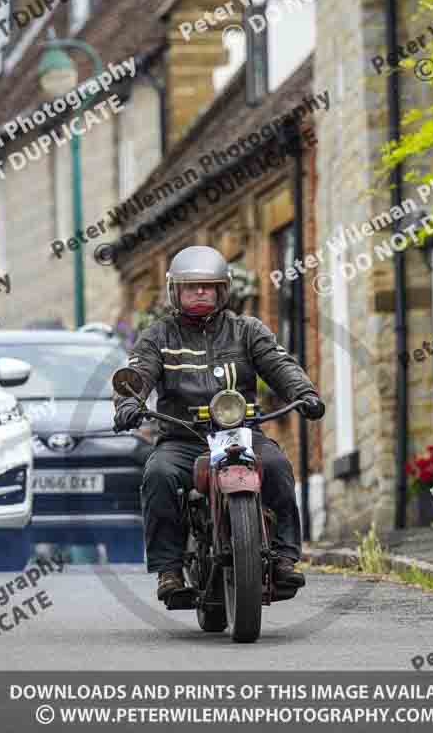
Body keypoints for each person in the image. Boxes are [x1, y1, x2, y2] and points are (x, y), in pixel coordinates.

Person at [113, 246, 325, 602]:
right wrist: (128, 404)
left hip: (239, 434)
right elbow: (137, 374)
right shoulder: (158, 336)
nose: (200, 292)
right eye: (191, 287)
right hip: (182, 437)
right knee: (158, 475)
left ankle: (285, 558)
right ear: (175, 292)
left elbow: (279, 364)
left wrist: (304, 393)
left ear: (222, 290)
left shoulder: (247, 330)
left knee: (277, 466)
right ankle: (168, 570)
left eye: (208, 286)